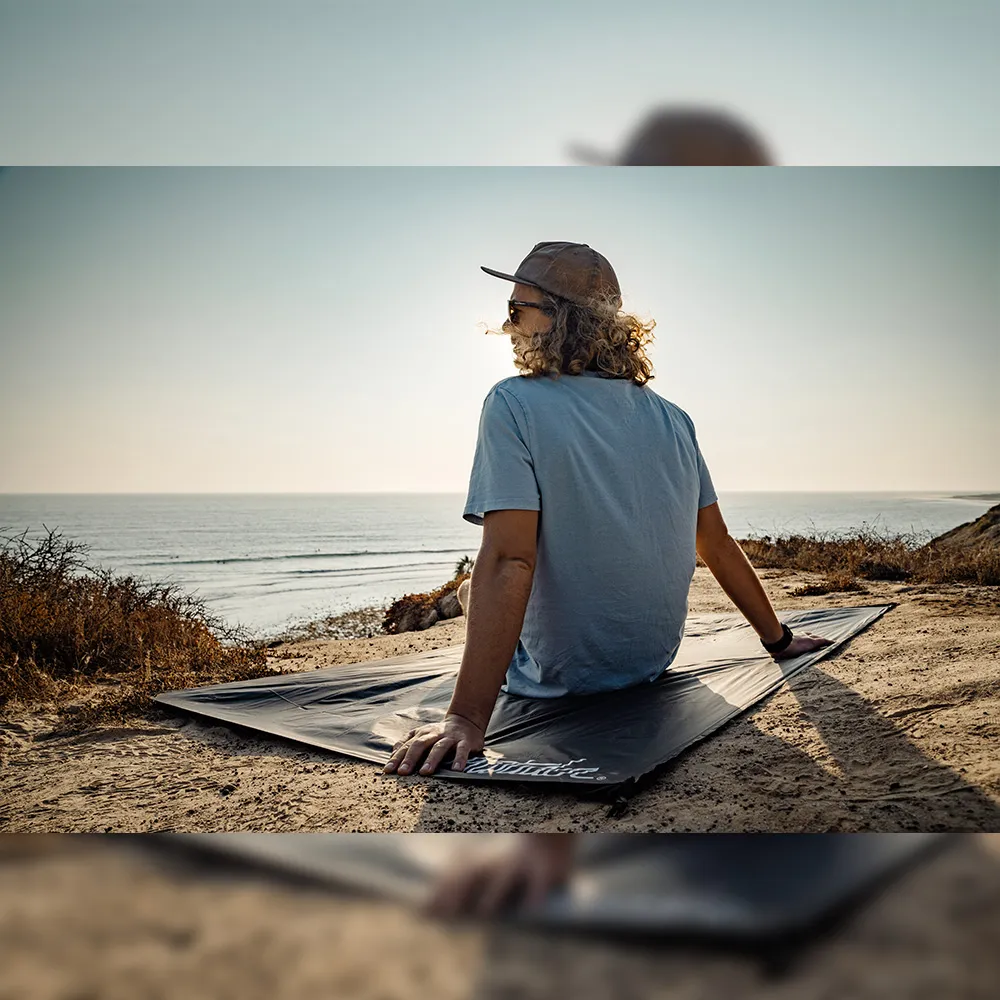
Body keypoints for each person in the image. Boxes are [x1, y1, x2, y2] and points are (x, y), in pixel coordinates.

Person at [384, 242, 831, 779]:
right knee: (472, 588)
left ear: (557, 320)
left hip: (556, 678)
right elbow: (715, 544)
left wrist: (465, 719)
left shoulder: (512, 403)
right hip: (647, 664)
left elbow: (509, 560)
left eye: (515, 312)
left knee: (475, 584)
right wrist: (778, 641)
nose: (507, 328)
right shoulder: (674, 418)